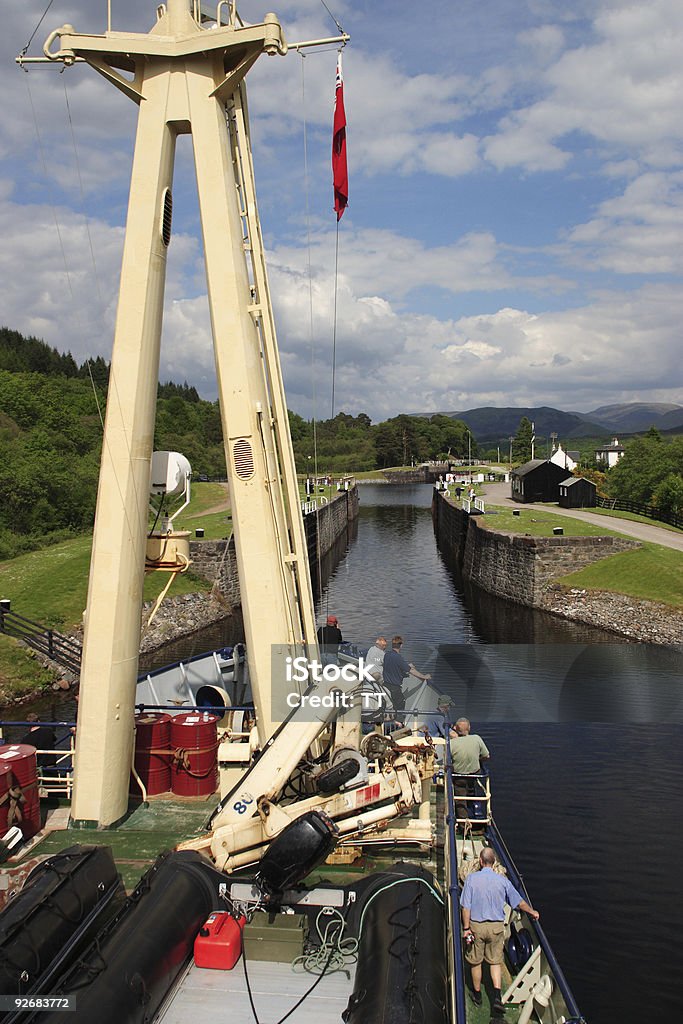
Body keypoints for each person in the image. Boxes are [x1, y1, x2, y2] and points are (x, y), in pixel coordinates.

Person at [461, 847, 539, 1012]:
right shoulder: (503, 881)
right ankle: (497, 997)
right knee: (495, 961)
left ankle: (477, 996)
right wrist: (532, 911)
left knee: (476, 962)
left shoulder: (471, 880)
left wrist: (466, 928)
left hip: (477, 926)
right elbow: (518, 902)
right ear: (494, 862)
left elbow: (466, 907)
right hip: (496, 927)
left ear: (481, 862)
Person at [450, 718, 490, 822]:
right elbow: (486, 756)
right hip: (475, 774)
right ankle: (474, 814)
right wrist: (477, 758)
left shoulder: (452, 743)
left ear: (455, 729)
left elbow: (447, 761)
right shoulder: (477, 738)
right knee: (471, 791)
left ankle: (464, 823)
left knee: (460, 798)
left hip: (459, 776)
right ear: (469, 728)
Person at [382, 635, 431, 713]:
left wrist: (406, 665)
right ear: (401, 645)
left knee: (387, 705)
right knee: (400, 705)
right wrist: (424, 676)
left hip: (385, 685)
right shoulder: (398, 657)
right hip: (394, 688)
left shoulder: (386, 655)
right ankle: (399, 723)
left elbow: (393, 666)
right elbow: (411, 670)